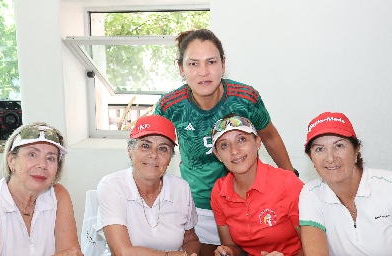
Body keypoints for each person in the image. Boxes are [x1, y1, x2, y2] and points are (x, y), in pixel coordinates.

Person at [153, 28, 297, 255]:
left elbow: (269, 135)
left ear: (223, 64)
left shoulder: (245, 98)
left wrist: (292, 179)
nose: (203, 72)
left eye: (211, 62)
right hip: (196, 206)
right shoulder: (170, 106)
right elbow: (155, 150)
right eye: (193, 64)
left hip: (247, 202)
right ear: (181, 68)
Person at [0, 122, 82, 256]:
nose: (42, 165)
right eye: (32, 154)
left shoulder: (58, 196)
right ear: (11, 160)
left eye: (50, 158)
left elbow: (71, 253)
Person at [299, 112, 392, 256]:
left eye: (339, 146)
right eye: (319, 149)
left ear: (356, 149)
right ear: (310, 157)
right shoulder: (310, 194)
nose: (330, 158)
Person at [95, 115, 200, 256]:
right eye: (145, 146)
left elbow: (190, 240)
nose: (154, 155)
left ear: (171, 157)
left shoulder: (181, 188)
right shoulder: (112, 185)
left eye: (163, 149)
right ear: (129, 150)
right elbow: (122, 252)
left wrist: (189, 254)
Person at [208, 115, 303, 256]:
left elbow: (315, 245)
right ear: (217, 155)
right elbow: (232, 246)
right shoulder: (220, 190)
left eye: (241, 139)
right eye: (224, 145)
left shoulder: (287, 183)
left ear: (258, 142)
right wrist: (227, 252)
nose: (234, 151)